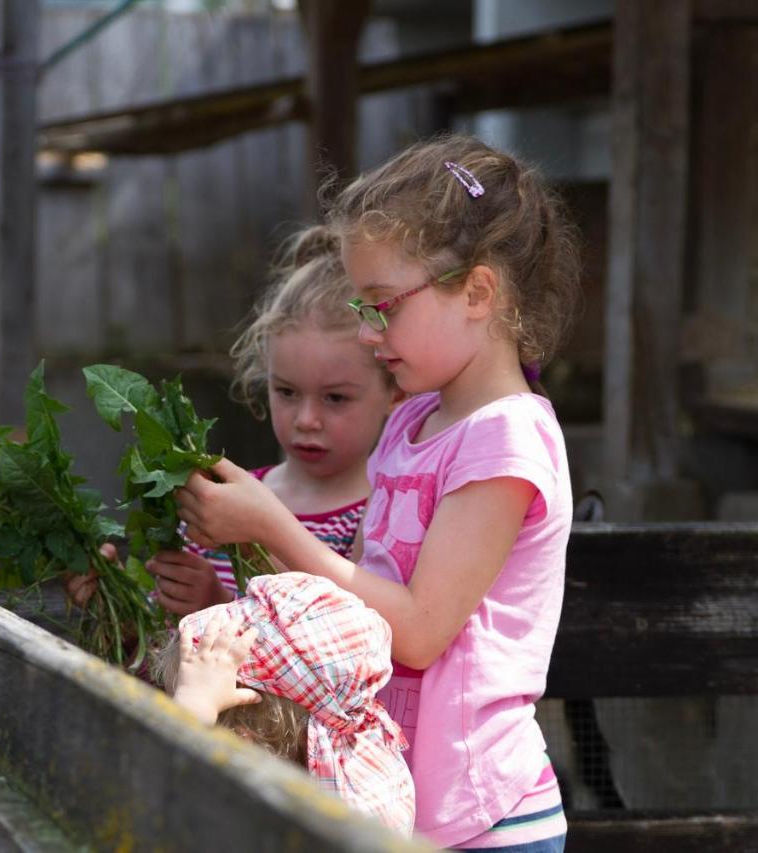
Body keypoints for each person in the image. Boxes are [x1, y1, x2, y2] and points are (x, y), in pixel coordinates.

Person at [173, 133, 580, 851]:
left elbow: (419, 631)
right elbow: (349, 612)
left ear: (479, 292)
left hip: (483, 822)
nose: (369, 335)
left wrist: (272, 526)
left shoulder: (505, 441)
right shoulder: (412, 421)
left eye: (383, 306)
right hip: (389, 799)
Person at [148, 225, 401, 616]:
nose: (307, 420)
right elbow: (153, 637)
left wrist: (218, 606)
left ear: (395, 394)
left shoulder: (380, 521)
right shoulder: (222, 500)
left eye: (335, 398)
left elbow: (340, 645)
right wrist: (117, 604)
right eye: (286, 392)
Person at [153, 571, 416, 836]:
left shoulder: (254, 817)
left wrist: (194, 708)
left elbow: (157, 789)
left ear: (244, 736)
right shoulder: (371, 780)